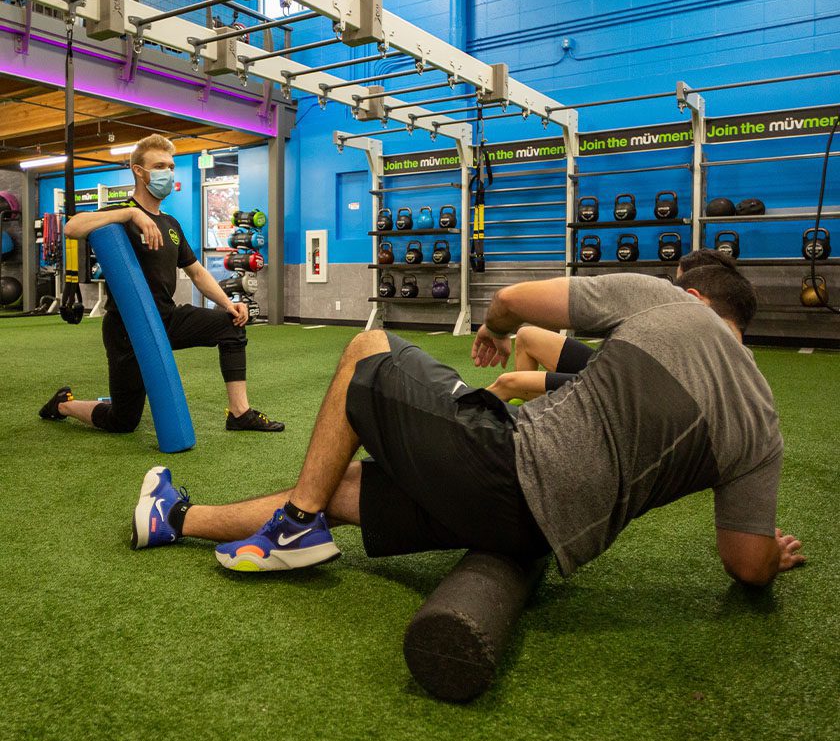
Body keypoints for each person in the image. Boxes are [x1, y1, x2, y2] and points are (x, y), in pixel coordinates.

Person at [130, 267, 805, 587]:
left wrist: (490, 329)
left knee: (369, 348)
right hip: (540, 538)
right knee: (345, 485)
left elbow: (512, 301)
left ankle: (296, 521)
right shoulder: (763, 425)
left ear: (693, 295)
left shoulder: (668, 305)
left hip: (511, 469)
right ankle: (175, 518)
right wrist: (774, 554)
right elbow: (746, 566)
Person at [39, 134, 283, 433]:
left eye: (170, 166)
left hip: (166, 318)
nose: (168, 173)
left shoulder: (171, 225)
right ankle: (63, 403)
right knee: (123, 421)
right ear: (139, 171)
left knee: (230, 325)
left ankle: (239, 413)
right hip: (127, 329)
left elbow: (196, 272)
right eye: (159, 166)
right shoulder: (119, 216)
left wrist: (227, 303)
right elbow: (71, 227)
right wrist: (131, 213)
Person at [488, 248, 740, 402]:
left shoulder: (715, 336)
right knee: (527, 336)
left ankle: (463, 411)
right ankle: (536, 419)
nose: (674, 290)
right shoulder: (689, 313)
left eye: (680, 282)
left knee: (510, 383)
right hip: (621, 371)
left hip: (631, 393)